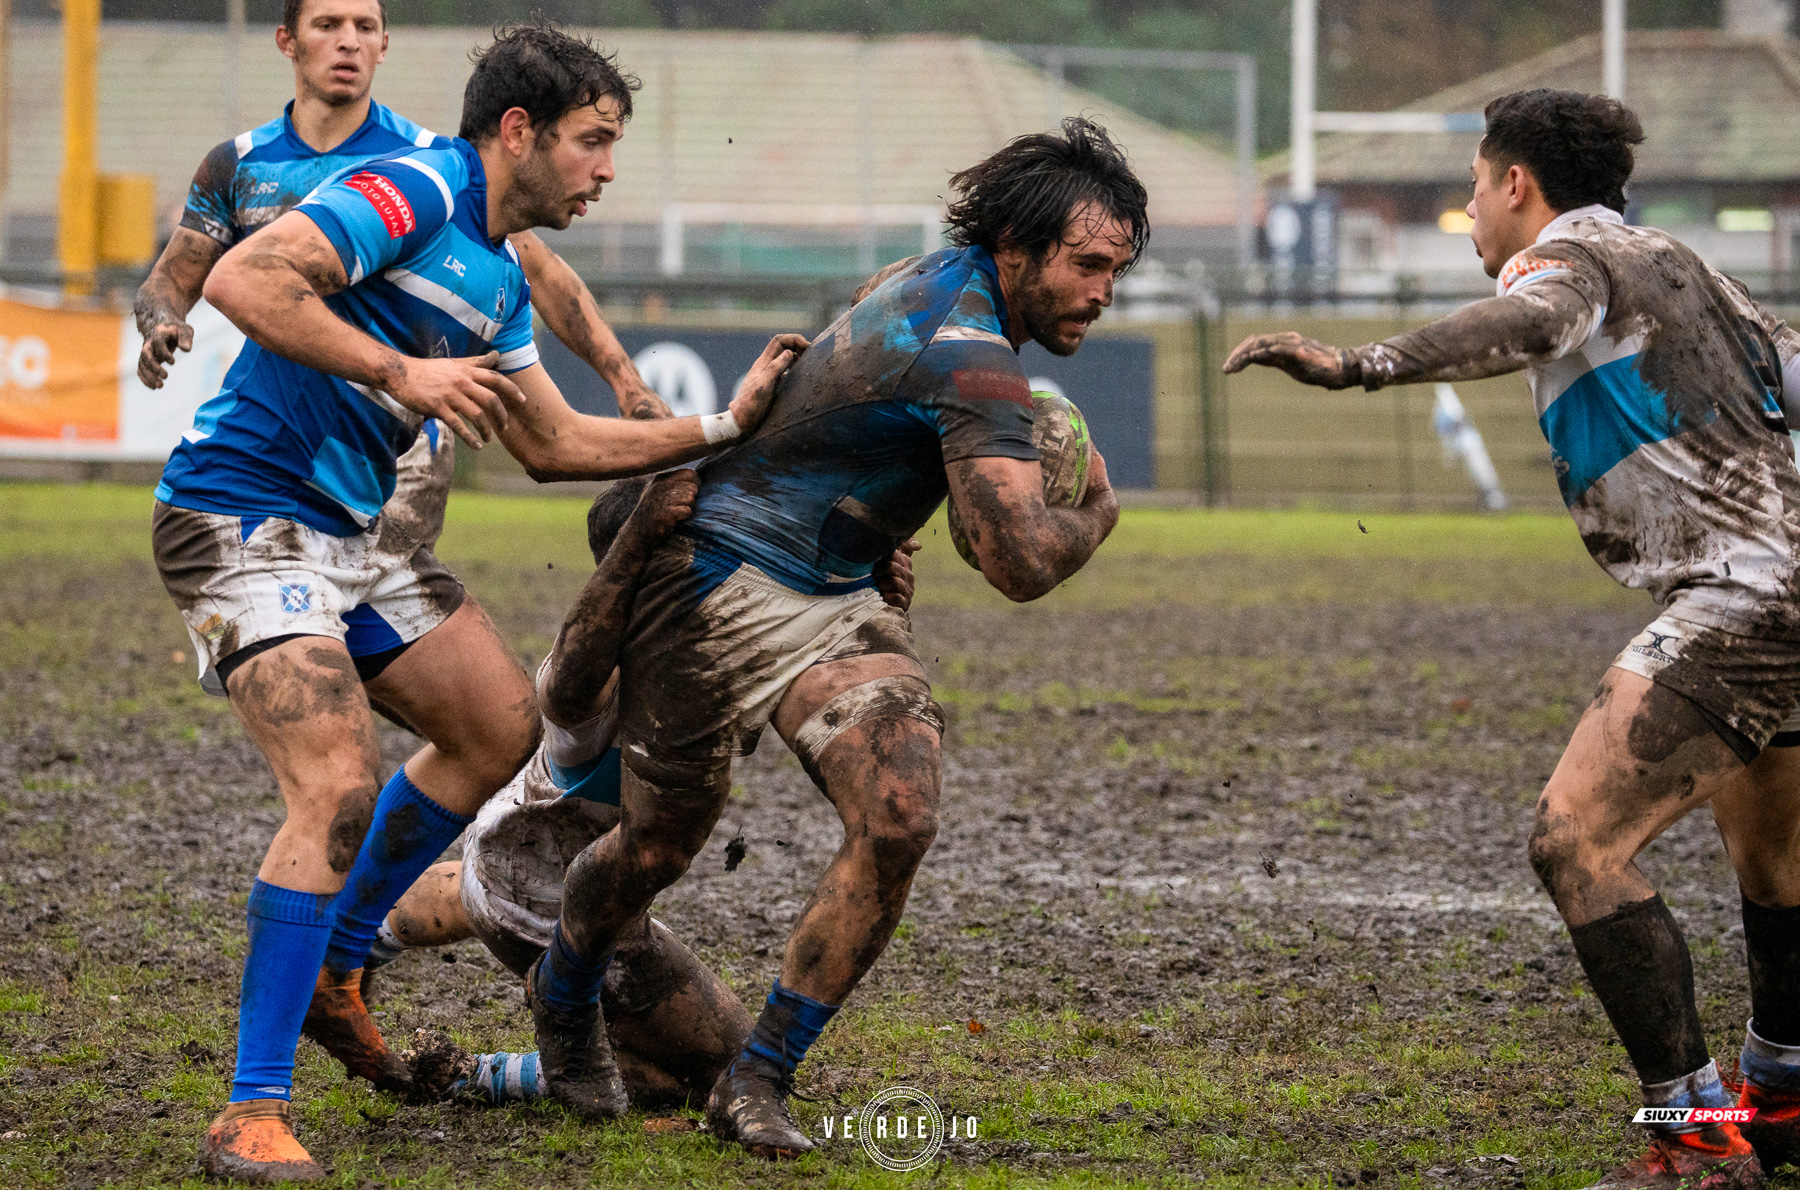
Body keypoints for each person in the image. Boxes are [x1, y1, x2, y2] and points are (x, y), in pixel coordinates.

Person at [153, 23, 803, 1183]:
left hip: (356, 540)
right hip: (241, 516)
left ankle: (342, 958)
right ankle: (249, 1110)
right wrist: (399, 370)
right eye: (592, 141)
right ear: (518, 132)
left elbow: (551, 443)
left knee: (500, 726)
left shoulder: (498, 274)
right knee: (336, 784)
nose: (606, 168)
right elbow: (244, 277)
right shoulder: (414, 189)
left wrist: (722, 425)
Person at [1225, 87, 1800, 1190]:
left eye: (1476, 186)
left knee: (1576, 841)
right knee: (1773, 858)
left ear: (1516, 183)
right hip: (1790, 585)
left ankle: (1693, 1135)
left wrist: (1361, 362)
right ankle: (1781, 1092)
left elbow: (1532, 321)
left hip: (1746, 597)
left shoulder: (1567, 259)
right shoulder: (1688, 266)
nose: (1474, 211)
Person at [529, 116, 1132, 1159]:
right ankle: (564, 983)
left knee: (899, 811)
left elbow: (857, 414)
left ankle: (758, 1076)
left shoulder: (924, 276)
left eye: (1116, 271)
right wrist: (1098, 514)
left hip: (835, 588)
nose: (1104, 290)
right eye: (1087, 265)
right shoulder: (973, 359)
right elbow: (1018, 562)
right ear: (1015, 247)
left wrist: (877, 522)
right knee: (657, 845)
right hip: (712, 576)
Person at [365, 472, 919, 1108]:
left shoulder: (722, 639)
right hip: (548, 906)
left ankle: (357, 938)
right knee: (711, 1073)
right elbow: (571, 680)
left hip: (510, 854)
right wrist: (638, 545)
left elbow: (831, 666)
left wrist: (873, 598)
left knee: (482, 887)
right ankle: (477, 1073)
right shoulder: (593, 673)